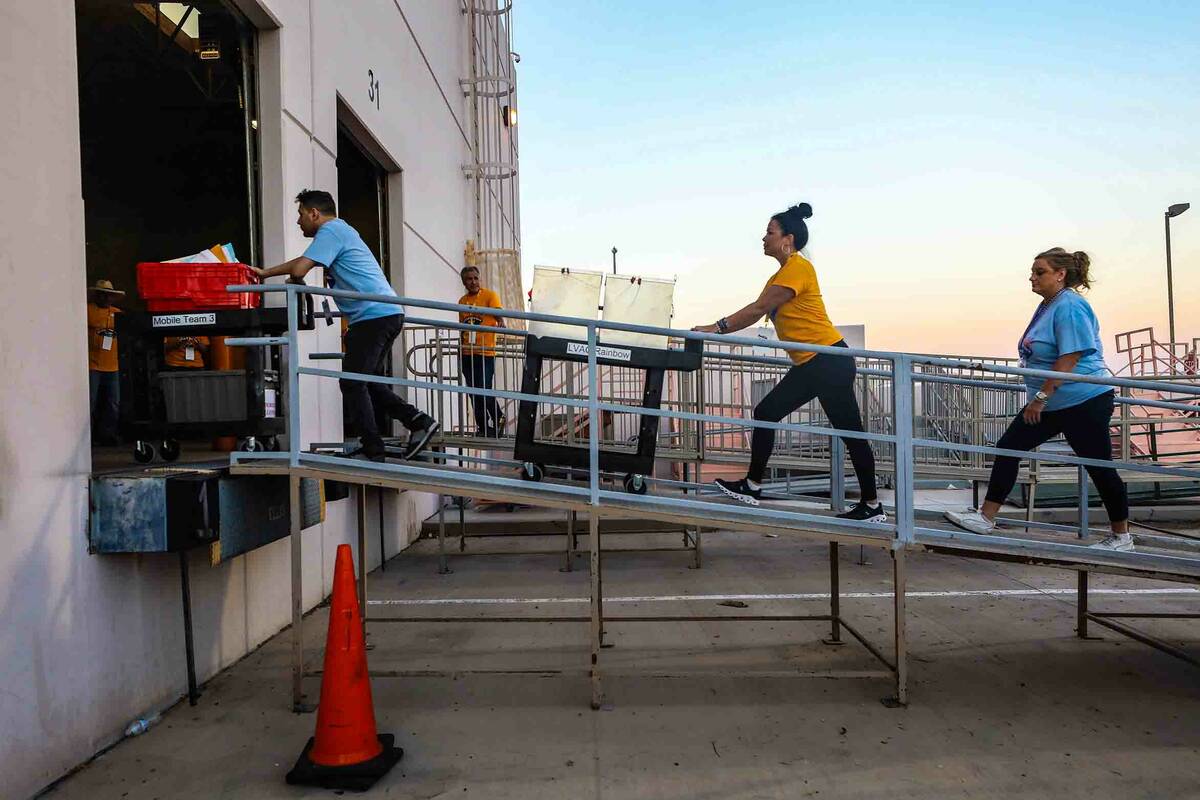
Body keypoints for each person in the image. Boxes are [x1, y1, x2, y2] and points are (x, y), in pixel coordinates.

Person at [692, 203, 884, 522]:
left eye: (769, 232)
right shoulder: (779, 275)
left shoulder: (798, 268)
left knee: (851, 432)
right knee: (766, 412)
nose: (763, 238)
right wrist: (719, 329)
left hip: (828, 360)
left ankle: (872, 504)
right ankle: (753, 485)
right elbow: (756, 310)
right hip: (812, 365)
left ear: (788, 239)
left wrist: (716, 327)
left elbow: (756, 310)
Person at [945, 248, 1131, 551]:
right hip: (1053, 401)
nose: (1032, 277)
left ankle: (1122, 537)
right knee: (1009, 447)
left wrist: (1040, 398)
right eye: (1032, 272)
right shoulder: (1049, 304)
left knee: (1098, 465)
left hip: (1082, 400)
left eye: (1040, 272)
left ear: (1060, 274)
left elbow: (1070, 357)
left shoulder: (1070, 306)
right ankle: (986, 518)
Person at [253, 189, 439, 461]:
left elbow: (300, 269)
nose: (298, 221)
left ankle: (376, 446)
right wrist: (266, 273)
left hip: (373, 316)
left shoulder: (331, 231)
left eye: (300, 214)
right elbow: (301, 264)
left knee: (352, 383)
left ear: (314, 213)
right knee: (366, 381)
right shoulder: (338, 232)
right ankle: (418, 422)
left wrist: (295, 278)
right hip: (383, 313)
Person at [457, 265, 506, 436]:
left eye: (475, 278)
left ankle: (498, 417)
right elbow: (462, 327)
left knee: (483, 389)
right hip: (467, 353)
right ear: (464, 281)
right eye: (469, 279)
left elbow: (499, 315)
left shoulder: (489, 296)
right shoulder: (462, 301)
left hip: (485, 352)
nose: (473, 282)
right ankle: (483, 427)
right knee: (473, 391)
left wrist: (500, 322)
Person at [86, 278, 124, 445]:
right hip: (92, 364)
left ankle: (108, 435)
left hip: (112, 365)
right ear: (96, 296)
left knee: (113, 403)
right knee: (90, 402)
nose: (105, 298)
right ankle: (89, 437)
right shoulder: (87, 310)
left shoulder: (118, 314)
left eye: (108, 295)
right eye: (102, 295)